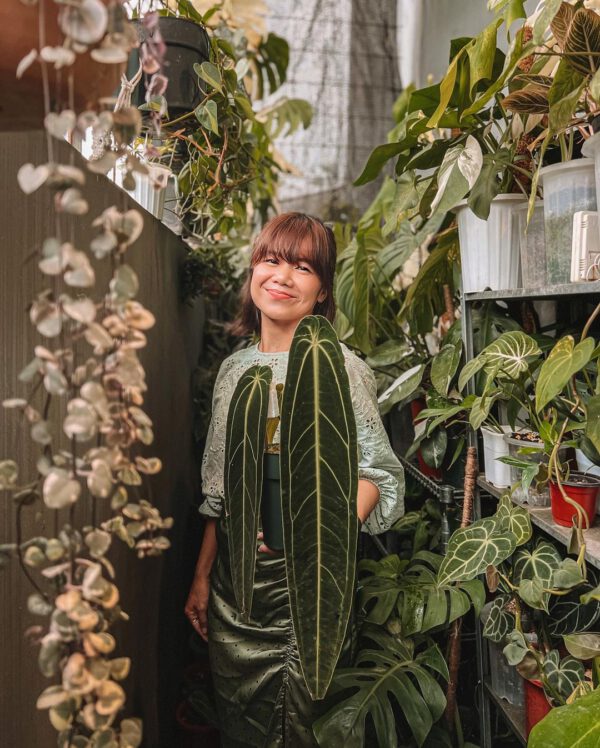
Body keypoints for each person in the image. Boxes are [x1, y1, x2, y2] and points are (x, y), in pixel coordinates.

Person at [185, 212, 405, 747]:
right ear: (253, 270)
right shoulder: (235, 371)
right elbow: (220, 489)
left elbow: (377, 472)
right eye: (271, 260)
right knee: (241, 724)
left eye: (302, 267)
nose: (282, 276)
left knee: (304, 726)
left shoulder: (341, 368)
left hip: (308, 589)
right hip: (237, 592)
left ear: (323, 288)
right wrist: (202, 577)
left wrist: (318, 537)